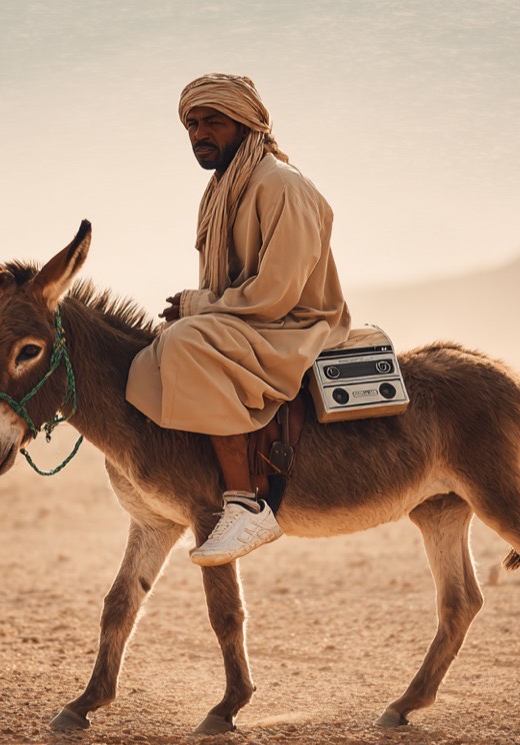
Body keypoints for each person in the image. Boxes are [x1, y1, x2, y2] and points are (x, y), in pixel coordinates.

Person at [126, 73, 351, 567]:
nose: (199, 133)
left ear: (246, 124)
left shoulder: (282, 186)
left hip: (293, 324)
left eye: (213, 121)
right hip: (252, 320)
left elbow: (276, 293)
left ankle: (245, 500)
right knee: (160, 346)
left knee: (186, 342)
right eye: (191, 124)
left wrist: (198, 307)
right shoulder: (222, 191)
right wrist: (195, 309)